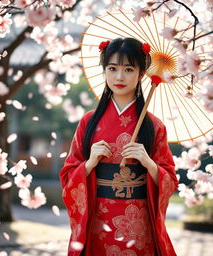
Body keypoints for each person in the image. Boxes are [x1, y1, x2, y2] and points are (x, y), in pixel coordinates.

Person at [59, 37, 179, 256]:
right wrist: (89, 164)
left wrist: (148, 162)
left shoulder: (154, 126)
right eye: (112, 68)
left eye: (128, 69)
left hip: (137, 221)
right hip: (98, 219)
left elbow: (170, 181)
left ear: (141, 74)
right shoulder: (88, 121)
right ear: (104, 71)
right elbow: (68, 176)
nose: (119, 77)